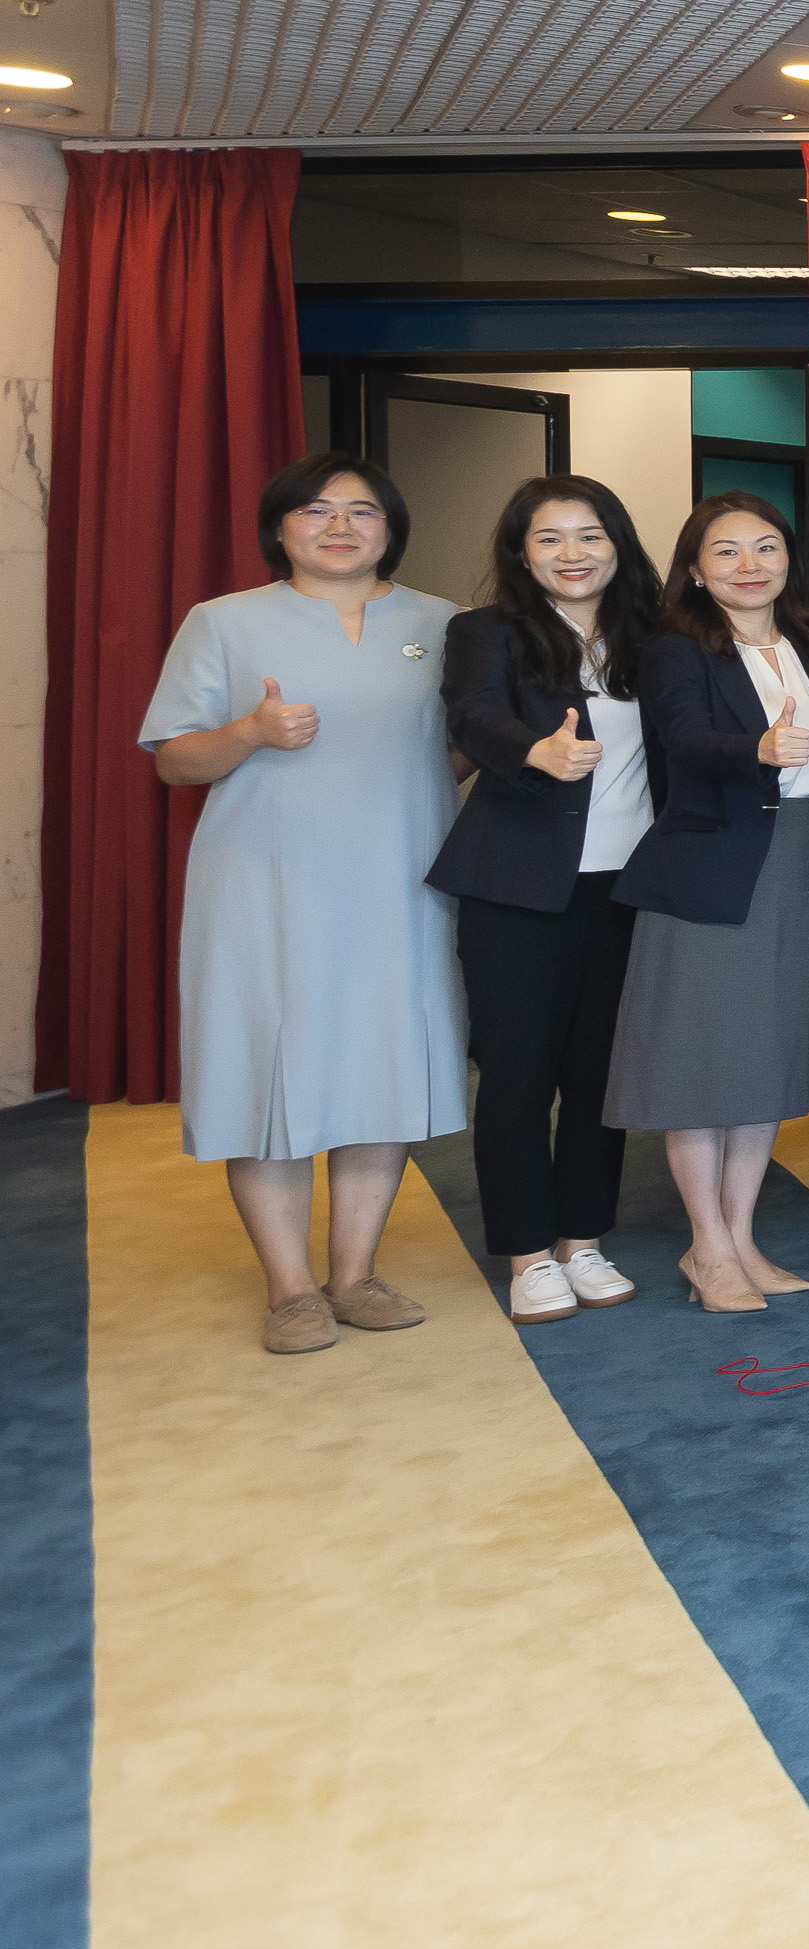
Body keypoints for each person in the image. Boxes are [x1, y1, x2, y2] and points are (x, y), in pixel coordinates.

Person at [139, 453, 467, 1355]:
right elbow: (174, 759)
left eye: (362, 512)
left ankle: (354, 1275)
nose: (339, 527)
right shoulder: (225, 623)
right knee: (267, 1069)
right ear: (279, 527)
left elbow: (466, 746)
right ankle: (290, 1290)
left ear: (391, 528)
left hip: (402, 878)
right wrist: (249, 730)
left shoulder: (443, 623)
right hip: (263, 884)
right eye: (315, 511)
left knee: (383, 1064)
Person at [605, 492, 809, 1315]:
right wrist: (755, 748)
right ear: (696, 570)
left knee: (762, 1063)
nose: (750, 566)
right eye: (726, 552)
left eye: (766, 547)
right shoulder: (677, 649)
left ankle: (741, 1237)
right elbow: (679, 739)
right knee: (700, 1067)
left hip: (800, 864)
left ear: (789, 558)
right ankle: (706, 1246)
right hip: (711, 869)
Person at [429, 475, 659, 1324]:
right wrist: (534, 753)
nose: (573, 554)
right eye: (552, 538)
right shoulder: (486, 631)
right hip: (518, 887)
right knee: (520, 1076)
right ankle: (529, 1254)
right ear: (522, 551)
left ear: (618, 543)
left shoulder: (653, 635)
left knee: (602, 1075)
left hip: (629, 888)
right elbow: (473, 716)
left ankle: (583, 1239)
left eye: (590, 535)